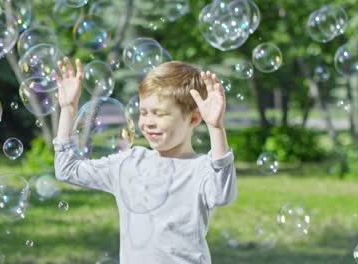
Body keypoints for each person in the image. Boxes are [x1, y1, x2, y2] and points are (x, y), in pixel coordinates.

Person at [52, 57, 237, 264]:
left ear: (193, 119)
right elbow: (66, 169)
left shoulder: (202, 167)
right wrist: (68, 109)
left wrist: (216, 128)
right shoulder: (129, 163)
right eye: (144, 113)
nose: (148, 122)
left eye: (159, 114)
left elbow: (223, 195)